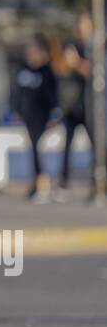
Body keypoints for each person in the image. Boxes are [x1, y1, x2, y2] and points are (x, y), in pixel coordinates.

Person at [11, 33, 60, 202]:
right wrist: (16, 110)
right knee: (32, 149)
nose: (29, 51)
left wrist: (54, 114)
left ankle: (44, 185)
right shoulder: (22, 69)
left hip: (43, 117)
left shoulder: (46, 70)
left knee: (41, 150)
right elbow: (16, 92)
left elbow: (53, 95)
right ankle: (36, 184)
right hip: (28, 117)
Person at [56, 12, 93, 195]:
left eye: (85, 25)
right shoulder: (71, 45)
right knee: (67, 145)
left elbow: (91, 71)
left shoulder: (95, 47)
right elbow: (62, 69)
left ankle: (97, 183)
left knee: (97, 146)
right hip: (72, 105)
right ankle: (63, 183)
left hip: (91, 106)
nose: (81, 29)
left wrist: (77, 63)